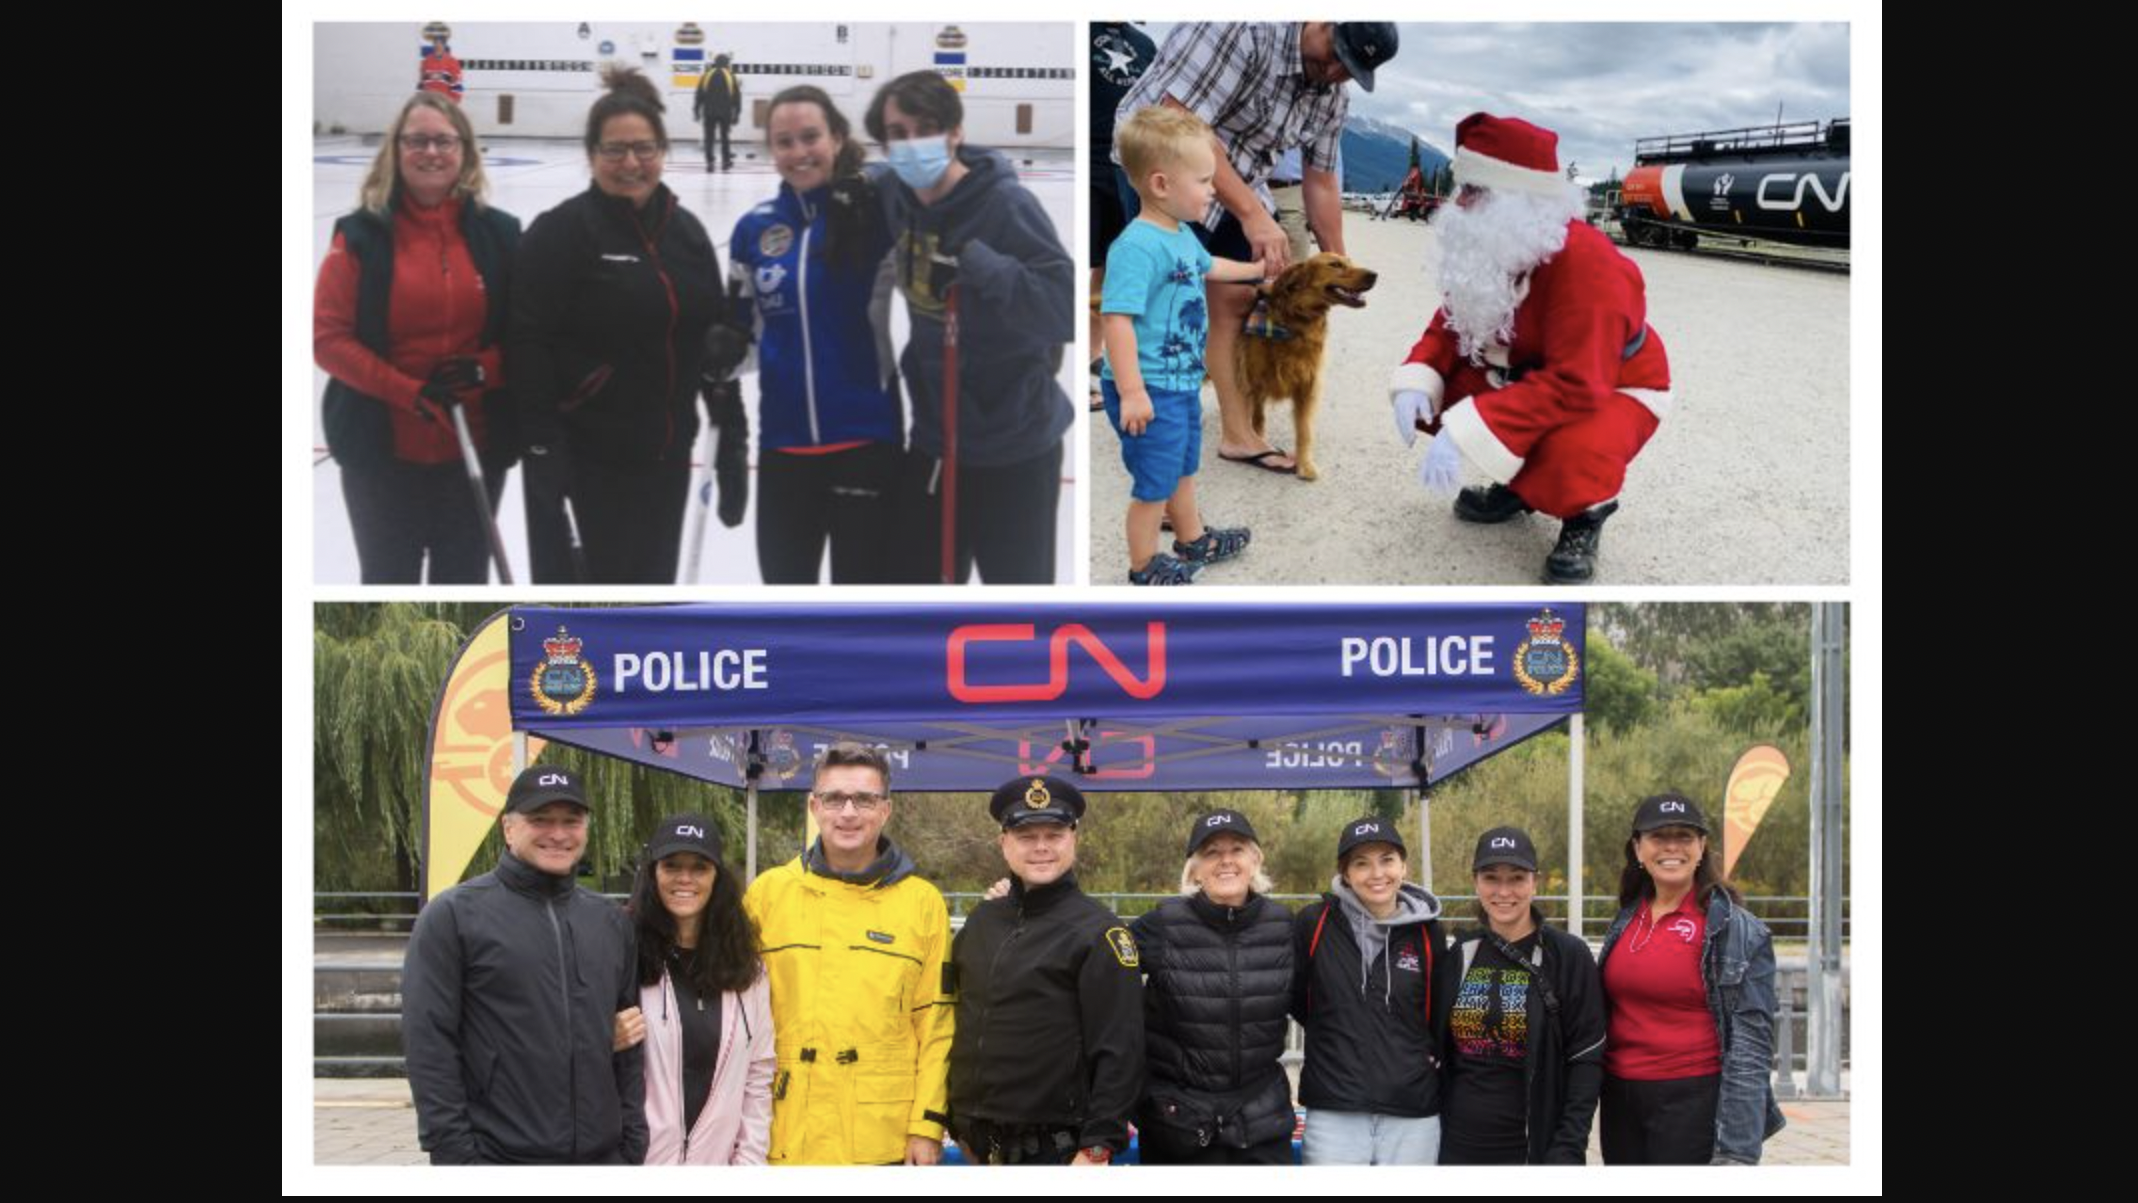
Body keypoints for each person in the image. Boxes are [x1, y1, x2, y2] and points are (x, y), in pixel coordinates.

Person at [1389, 112, 1673, 584]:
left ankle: (1585, 514)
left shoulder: (1587, 263)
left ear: (1519, 201)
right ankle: (1521, 486)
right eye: (1464, 188)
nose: (1460, 202)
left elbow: (1578, 384)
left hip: (1615, 385)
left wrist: (1465, 431)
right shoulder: (1501, 246)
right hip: (1533, 372)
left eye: (1475, 190)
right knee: (1455, 390)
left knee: (1573, 449)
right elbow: (1452, 324)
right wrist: (1419, 376)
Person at [1114, 22, 1397, 476]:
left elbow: (1322, 182)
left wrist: (1338, 270)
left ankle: (1237, 434)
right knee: (1171, 303)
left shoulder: (1332, 96)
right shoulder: (1241, 29)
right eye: (1334, 53)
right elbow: (1180, 127)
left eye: (1348, 69)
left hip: (1239, 180)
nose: (1333, 72)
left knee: (1236, 299)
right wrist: (1252, 215)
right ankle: (1148, 416)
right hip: (1165, 168)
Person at [509, 66, 734, 583]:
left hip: (666, 459)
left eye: (644, 148)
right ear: (591, 155)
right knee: (580, 611)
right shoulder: (561, 232)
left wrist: (733, 442)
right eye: (614, 150)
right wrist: (541, 444)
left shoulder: (687, 234)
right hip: (583, 461)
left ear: (663, 151)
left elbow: (714, 344)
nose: (631, 163)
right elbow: (526, 343)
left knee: (650, 599)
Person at [867, 71, 1075, 584]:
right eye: (898, 133)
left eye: (926, 129)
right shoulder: (894, 193)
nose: (912, 144)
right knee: (918, 596)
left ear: (955, 132)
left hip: (1015, 448)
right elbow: (853, 174)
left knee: (1014, 600)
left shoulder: (1005, 205)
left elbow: (1066, 307)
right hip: (935, 441)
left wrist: (982, 264)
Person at [314, 90, 519, 584]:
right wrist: (410, 392)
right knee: (388, 585)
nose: (431, 152)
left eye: (444, 141)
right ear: (396, 149)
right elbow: (328, 339)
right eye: (417, 141)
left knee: (463, 583)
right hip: (381, 454)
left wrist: (486, 369)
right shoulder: (360, 235)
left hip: (472, 447)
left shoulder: (502, 234)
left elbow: (529, 335)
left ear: (465, 150)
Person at [400, 766, 645, 1164]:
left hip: (604, 1157)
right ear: (508, 828)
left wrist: (633, 1142)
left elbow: (630, 1038)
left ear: (586, 829)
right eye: (540, 820)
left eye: (571, 821)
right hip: (499, 1157)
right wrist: (455, 1156)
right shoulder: (453, 916)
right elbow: (429, 1044)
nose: (558, 834)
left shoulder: (611, 922)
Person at [741, 743, 953, 1165]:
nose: (849, 812)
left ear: (886, 810)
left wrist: (927, 1125)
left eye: (865, 800)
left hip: (882, 1138)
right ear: (814, 806)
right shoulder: (767, 894)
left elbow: (937, 1023)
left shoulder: (923, 903)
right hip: (781, 1132)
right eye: (835, 798)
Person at [725, 86, 903, 583]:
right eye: (784, 142)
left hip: (866, 439)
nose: (799, 152)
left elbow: (922, 177)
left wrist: (867, 180)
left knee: (863, 608)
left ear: (837, 138)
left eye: (811, 137)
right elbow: (744, 343)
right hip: (783, 448)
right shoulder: (752, 230)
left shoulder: (873, 214)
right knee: (787, 608)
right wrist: (721, 348)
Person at [1100, 104, 1263, 585]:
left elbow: (1211, 267)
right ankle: (1143, 566)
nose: (1213, 190)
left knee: (1182, 466)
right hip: (1148, 387)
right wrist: (1131, 391)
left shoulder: (1183, 236)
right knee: (1154, 482)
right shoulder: (1136, 246)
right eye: (1204, 180)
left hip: (1181, 383)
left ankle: (1192, 539)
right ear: (1161, 184)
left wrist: (1257, 271)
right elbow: (1116, 320)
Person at [947, 776, 1143, 1164]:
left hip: (1057, 1152)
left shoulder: (1099, 931)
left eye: (1054, 835)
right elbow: (958, 1019)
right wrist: (958, 1122)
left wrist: (1098, 1146)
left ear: (1074, 839)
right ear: (1004, 843)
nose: (1041, 847)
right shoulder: (982, 921)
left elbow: (1121, 1049)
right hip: (978, 1147)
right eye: (1026, 836)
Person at [1595, 792, 1785, 1165]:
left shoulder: (1738, 930)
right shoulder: (1627, 918)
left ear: (1702, 848)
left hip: (1693, 1101)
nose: (1672, 847)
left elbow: (1751, 1048)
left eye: (1684, 836)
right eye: (1658, 836)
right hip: (1620, 1099)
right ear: (1638, 848)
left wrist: (1737, 1153)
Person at [1128, 810, 1295, 1164]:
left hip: (1262, 1123)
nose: (1226, 860)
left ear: (1255, 860)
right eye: (1212, 852)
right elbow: (1091, 964)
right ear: (1195, 869)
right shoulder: (1161, 925)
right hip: (1178, 1127)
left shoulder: (1284, 927)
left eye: (1237, 849)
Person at [1436, 826, 1605, 1164]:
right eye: (1491, 878)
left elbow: (1586, 1057)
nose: (1504, 891)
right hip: (1457, 1145)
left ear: (1534, 883)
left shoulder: (1567, 956)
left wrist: (1569, 1145)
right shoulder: (1461, 953)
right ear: (1476, 882)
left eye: (1516, 878)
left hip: (1533, 1147)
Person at [612, 814, 775, 1164]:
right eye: (672, 865)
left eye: (699, 867)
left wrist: (749, 1163)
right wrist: (602, 1036)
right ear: (653, 874)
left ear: (717, 877)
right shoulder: (623, 956)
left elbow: (758, 1073)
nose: (685, 878)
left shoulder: (748, 969)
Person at [1290, 816, 1448, 1165]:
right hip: (1334, 1111)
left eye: (1387, 860)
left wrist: (1416, 1060)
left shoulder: (1428, 933)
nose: (1377, 873)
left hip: (1412, 1112)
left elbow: (1438, 1013)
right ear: (1345, 874)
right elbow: (1300, 1000)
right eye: (1361, 863)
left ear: (1403, 867)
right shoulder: (1314, 923)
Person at [1089, 21, 1159, 411]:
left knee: (1113, 262)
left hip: (1125, 165)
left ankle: (1094, 355)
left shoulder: (1145, 44)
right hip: (1087, 159)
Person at [694, 52, 744, 172]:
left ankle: (710, 163)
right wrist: (736, 113)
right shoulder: (730, 76)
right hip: (725, 112)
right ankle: (725, 162)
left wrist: (696, 110)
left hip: (709, 112)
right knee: (725, 137)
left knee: (709, 138)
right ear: (726, 63)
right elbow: (737, 97)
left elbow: (699, 94)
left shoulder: (707, 75)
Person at [418, 24, 464, 102]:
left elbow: (457, 85)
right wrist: (420, 99)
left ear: (444, 45)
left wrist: (453, 102)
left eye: (440, 43)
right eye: (435, 43)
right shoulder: (426, 62)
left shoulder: (453, 62)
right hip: (428, 102)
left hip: (445, 102)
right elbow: (421, 83)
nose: (437, 46)